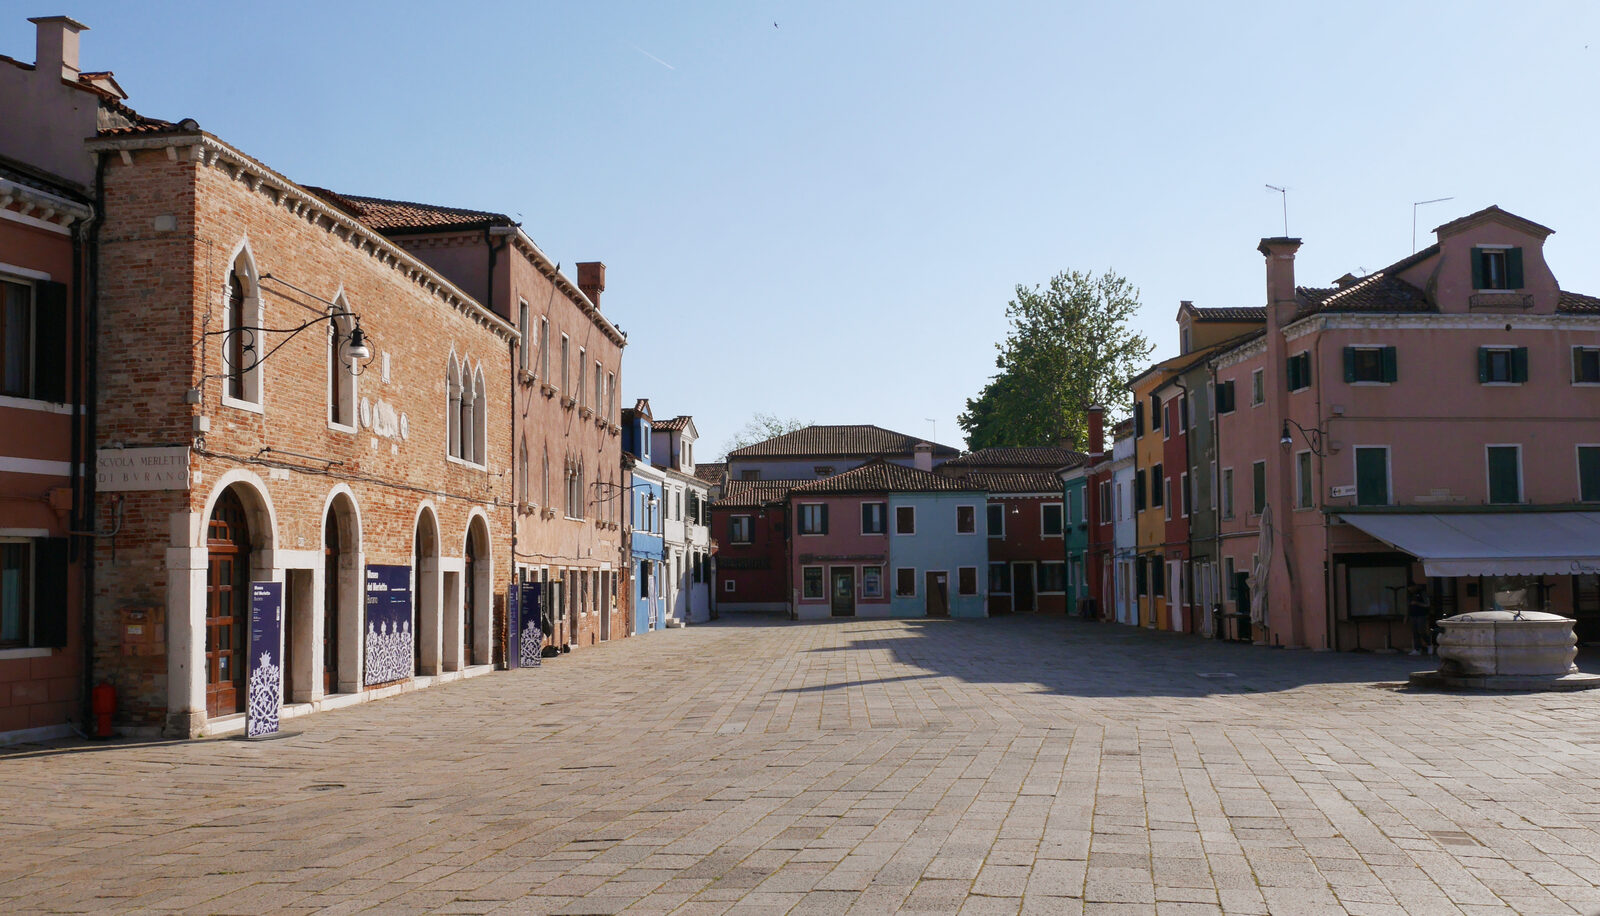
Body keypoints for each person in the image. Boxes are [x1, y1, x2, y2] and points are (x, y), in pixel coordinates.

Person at [1407, 583, 1432, 656]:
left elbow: (1427, 604)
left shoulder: (1422, 593)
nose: (1410, 589)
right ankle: (1417, 649)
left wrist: (1417, 603)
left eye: (1411, 587)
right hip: (1413, 615)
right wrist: (1407, 616)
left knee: (1421, 630)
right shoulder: (1410, 595)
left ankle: (1429, 644)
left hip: (1421, 615)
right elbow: (1408, 605)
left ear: (1414, 587)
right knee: (1415, 632)